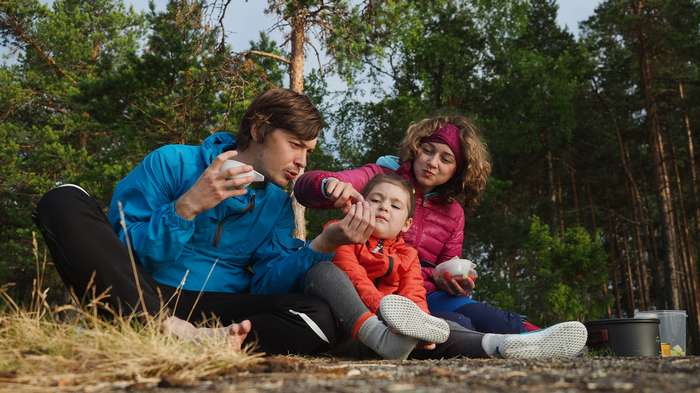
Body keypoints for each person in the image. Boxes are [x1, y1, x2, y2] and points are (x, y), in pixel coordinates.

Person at [32, 88, 375, 355]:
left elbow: (266, 286)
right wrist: (187, 207)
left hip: (215, 312)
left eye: (309, 151)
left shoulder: (276, 203)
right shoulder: (172, 162)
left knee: (316, 316)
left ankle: (198, 338)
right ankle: (163, 327)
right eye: (295, 145)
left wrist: (323, 245)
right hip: (143, 290)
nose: (301, 162)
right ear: (258, 129)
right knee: (62, 200)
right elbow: (122, 254)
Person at [295, 115, 539, 334]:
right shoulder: (381, 178)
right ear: (415, 148)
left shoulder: (453, 213)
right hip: (371, 284)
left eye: (446, 158)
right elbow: (306, 186)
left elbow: (447, 268)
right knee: (460, 324)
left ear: (459, 170)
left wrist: (449, 279)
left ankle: (541, 337)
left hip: (421, 294)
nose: (433, 162)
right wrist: (327, 185)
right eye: (428, 150)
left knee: (494, 320)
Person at [304, 176, 588, 360]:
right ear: (358, 205)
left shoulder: (408, 254)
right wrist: (389, 318)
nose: (383, 208)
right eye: (375, 200)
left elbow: (415, 295)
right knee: (324, 272)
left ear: (406, 224)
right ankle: (386, 339)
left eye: (395, 205)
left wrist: (419, 326)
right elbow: (355, 280)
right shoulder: (340, 233)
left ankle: (503, 345)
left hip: (398, 341)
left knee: (444, 326)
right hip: (354, 330)